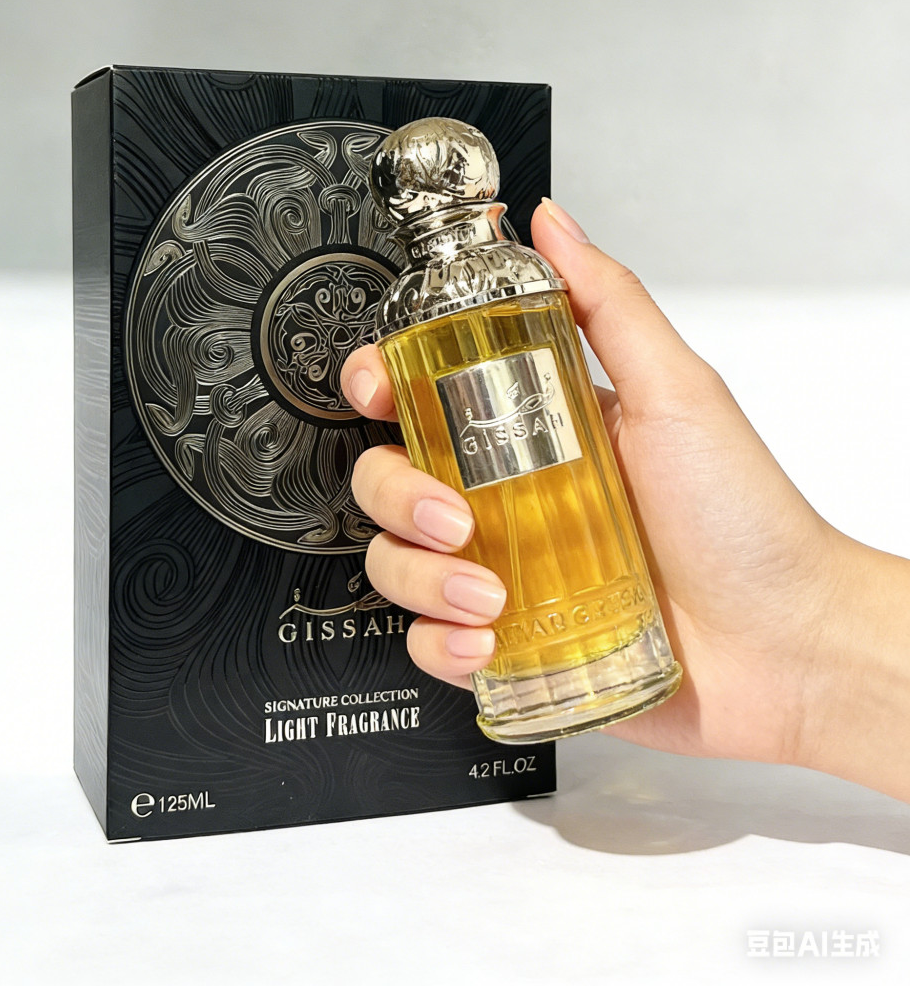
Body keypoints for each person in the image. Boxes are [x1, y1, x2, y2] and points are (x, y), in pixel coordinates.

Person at [340, 198, 910, 805]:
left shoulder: (514, 283)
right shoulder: (452, 300)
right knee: (445, 517)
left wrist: (811, 626)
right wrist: (813, 655)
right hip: (539, 657)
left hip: (638, 639)